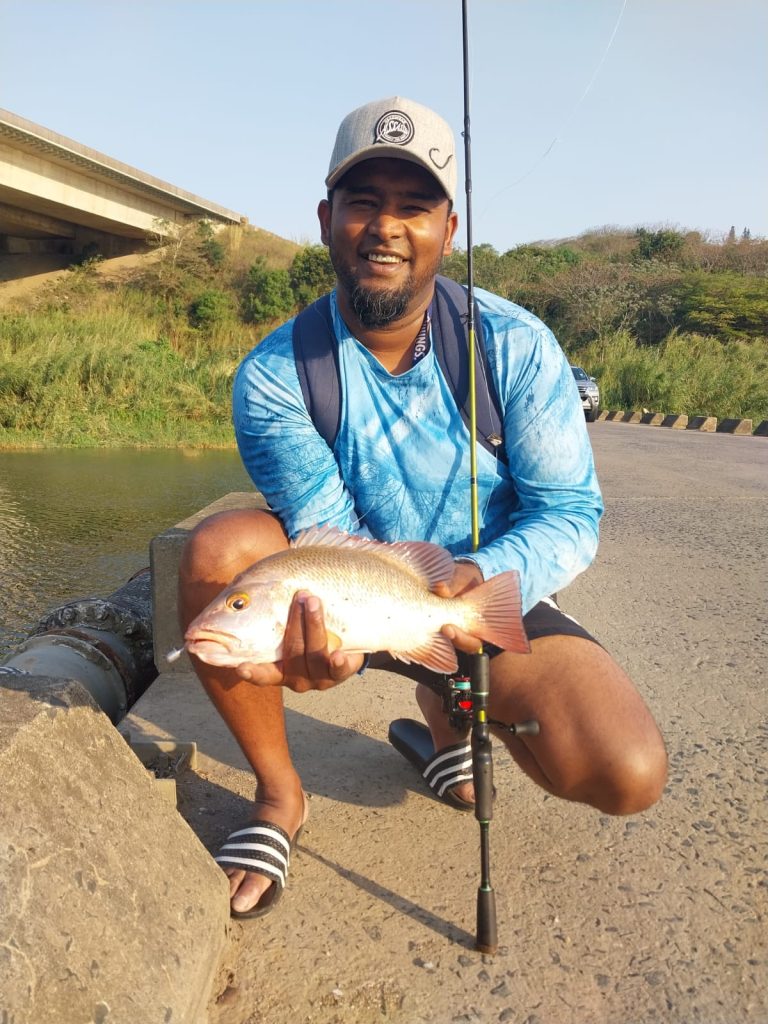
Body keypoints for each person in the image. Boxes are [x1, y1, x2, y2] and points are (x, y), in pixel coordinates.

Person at [178, 96, 667, 919]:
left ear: (449, 226)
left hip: (477, 591)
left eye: (413, 206)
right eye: (364, 202)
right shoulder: (273, 374)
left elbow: (569, 512)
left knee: (626, 769)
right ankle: (278, 796)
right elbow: (320, 526)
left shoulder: (513, 345)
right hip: (353, 594)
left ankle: (448, 714)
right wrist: (336, 628)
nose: (386, 227)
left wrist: (465, 587)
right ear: (329, 219)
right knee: (219, 555)